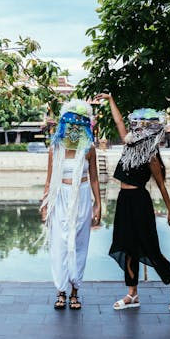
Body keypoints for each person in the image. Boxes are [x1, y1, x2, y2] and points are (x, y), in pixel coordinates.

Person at [95, 92, 170, 312]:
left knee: (150, 247)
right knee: (126, 247)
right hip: (124, 200)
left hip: (139, 201)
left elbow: (161, 185)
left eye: (140, 127)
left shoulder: (151, 155)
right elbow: (118, 121)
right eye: (135, 126)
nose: (135, 130)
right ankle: (132, 294)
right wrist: (111, 99)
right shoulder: (129, 145)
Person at [41, 99, 102, 310]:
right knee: (59, 245)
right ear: (65, 126)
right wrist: (45, 205)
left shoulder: (89, 148)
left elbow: (94, 178)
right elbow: (49, 180)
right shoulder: (55, 148)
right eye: (71, 125)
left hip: (82, 196)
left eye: (79, 125)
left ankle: (75, 291)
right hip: (60, 198)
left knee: (79, 244)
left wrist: (98, 205)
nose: (74, 129)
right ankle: (60, 291)